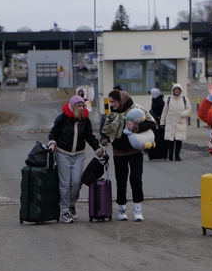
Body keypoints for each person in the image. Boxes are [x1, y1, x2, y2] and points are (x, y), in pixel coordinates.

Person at [101, 90, 157, 222]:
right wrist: (104, 139)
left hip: (135, 151)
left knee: (136, 178)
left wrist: (136, 126)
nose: (112, 104)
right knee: (121, 181)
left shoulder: (136, 109)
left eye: (114, 101)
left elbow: (151, 122)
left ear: (121, 100)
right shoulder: (111, 115)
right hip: (118, 153)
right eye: (110, 102)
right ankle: (122, 208)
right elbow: (105, 130)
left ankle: (138, 208)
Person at [47, 95, 104, 223]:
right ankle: (65, 210)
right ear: (73, 107)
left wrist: (98, 150)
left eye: (82, 106)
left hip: (78, 155)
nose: (81, 108)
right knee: (65, 183)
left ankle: (71, 204)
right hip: (63, 154)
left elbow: (89, 136)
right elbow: (53, 133)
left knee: (77, 182)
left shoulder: (85, 120)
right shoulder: (62, 119)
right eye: (78, 106)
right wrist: (52, 143)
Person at [161, 83, 192, 161]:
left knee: (178, 140)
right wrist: (162, 122)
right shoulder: (169, 99)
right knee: (170, 140)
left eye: (178, 89)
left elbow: (189, 109)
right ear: (173, 90)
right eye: (175, 89)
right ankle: (170, 155)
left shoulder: (184, 99)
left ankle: (177, 156)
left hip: (180, 122)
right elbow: (164, 111)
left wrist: (183, 114)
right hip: (170, 122)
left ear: (180, 91)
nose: (177, 91)